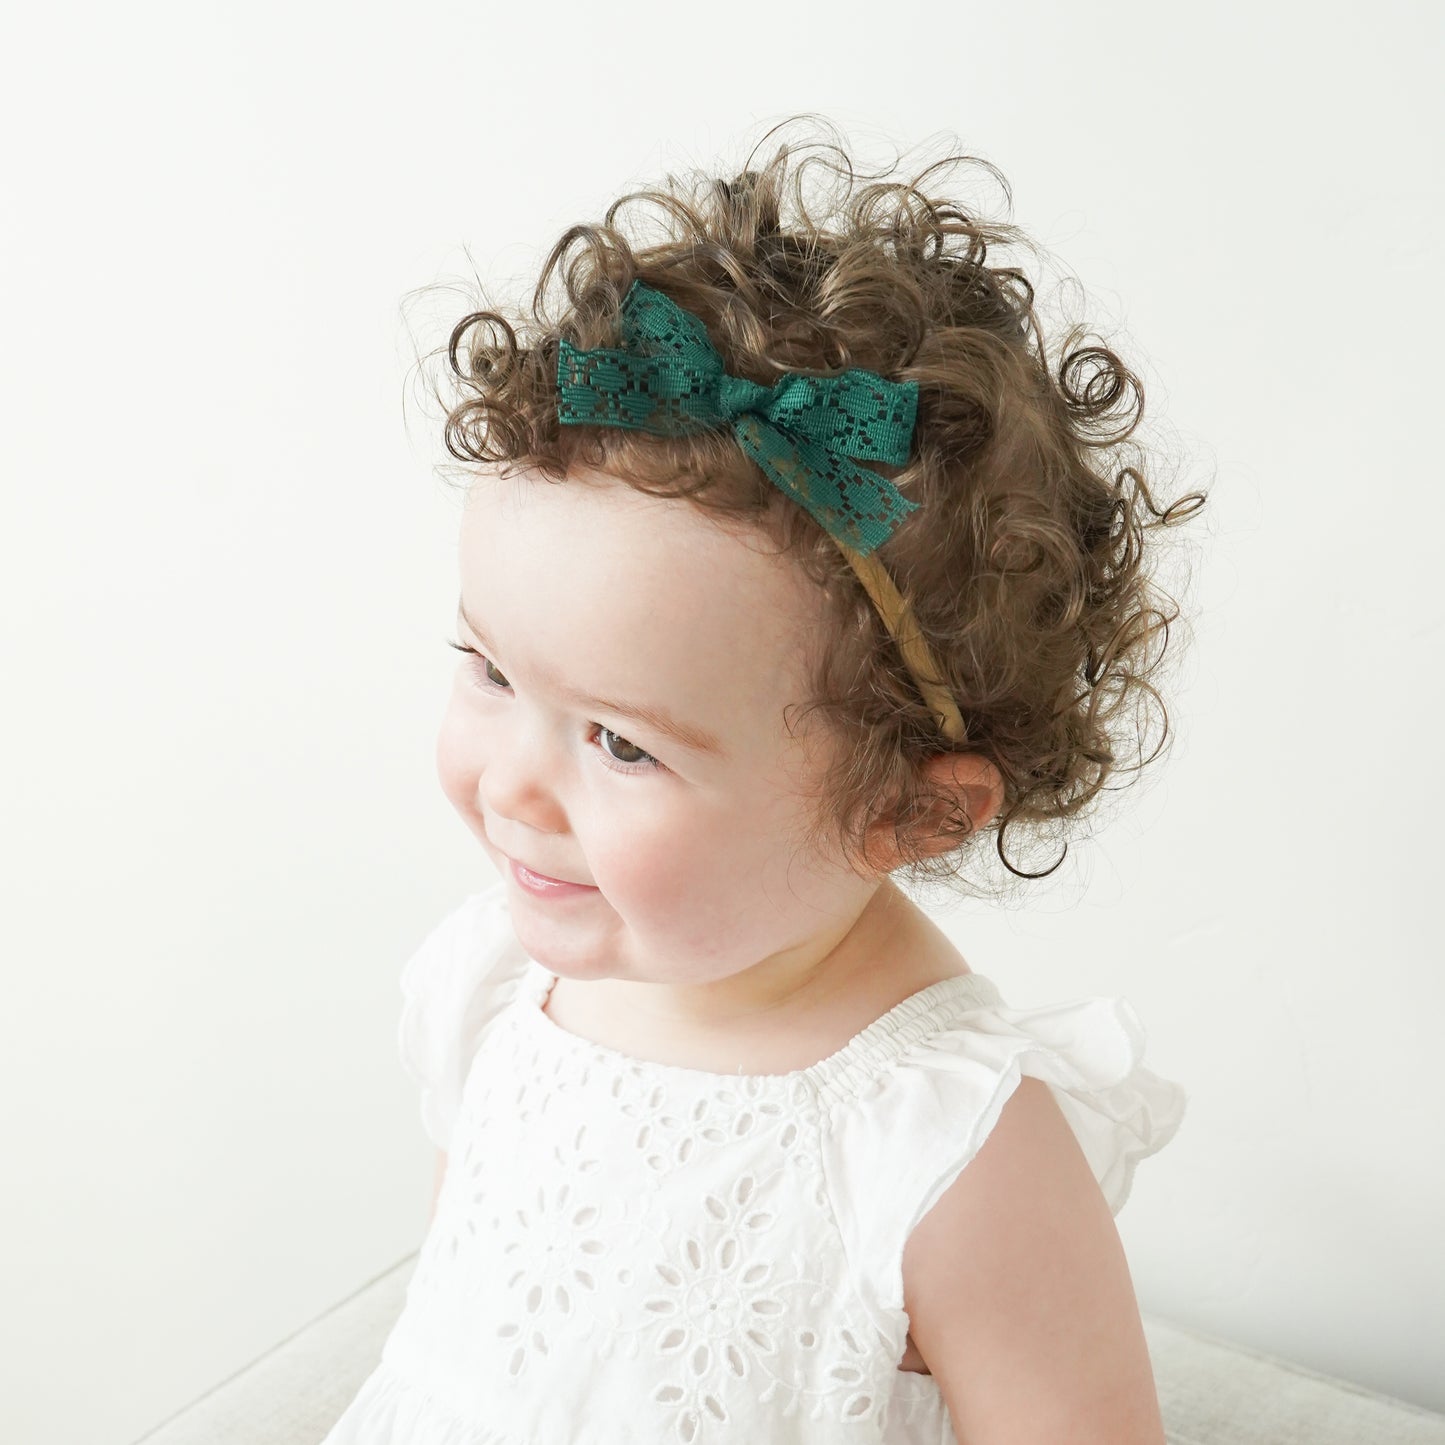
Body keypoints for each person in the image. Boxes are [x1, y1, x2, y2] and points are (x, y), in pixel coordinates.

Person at [322, 116, 1207, 1445]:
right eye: (491, 669)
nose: (512, 784)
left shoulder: (945, 1147)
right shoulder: (500, 985)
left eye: (620, 742)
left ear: (905, 809)